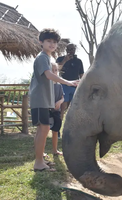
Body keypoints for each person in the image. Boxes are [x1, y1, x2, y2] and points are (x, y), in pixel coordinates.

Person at [29, 28, 78, 172]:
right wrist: (68, 83)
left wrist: (70, 81)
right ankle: (38, 163)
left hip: (42, 100)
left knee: (42, 129)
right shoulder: (42, 57)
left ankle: (40, 160)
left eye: (54, 42)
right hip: (40, 99)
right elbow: (49, 75)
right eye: (49, 41)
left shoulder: (46, 57)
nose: (52, 44)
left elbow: (51, 77)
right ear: (41, 42)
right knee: (43, 128)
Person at [56, 43, 84, 121]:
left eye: (73, 49)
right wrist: (65, 60)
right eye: (69, 49)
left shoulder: (79, 61)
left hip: (75, 86)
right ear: (66, 50)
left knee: (73, 107)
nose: (71, 51)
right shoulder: (60, 59)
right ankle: (59, 124)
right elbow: (55, 70)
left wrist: (82, 86)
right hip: (64, 85)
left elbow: (81, 74)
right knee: (62, 107)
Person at [50, 63, 64, 155]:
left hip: (57, 110)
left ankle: (55, 150)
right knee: (43, 131)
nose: (54, 72)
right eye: (52, 70)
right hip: (47, 110)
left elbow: (63, 97)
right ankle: (40, 151)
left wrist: (59, 102)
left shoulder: (59, 85)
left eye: (56, 70)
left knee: (55, 130)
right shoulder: (46, 85)